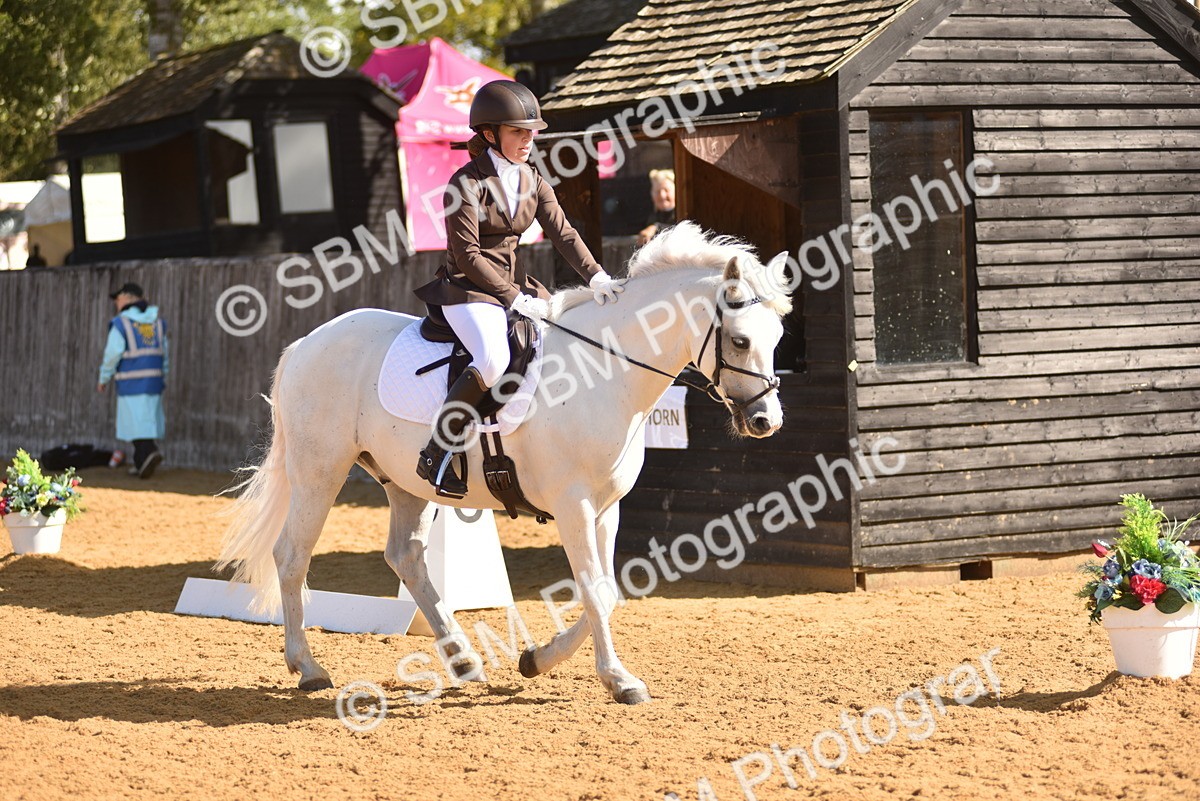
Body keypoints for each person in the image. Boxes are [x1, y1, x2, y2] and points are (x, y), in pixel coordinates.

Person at [412, 79, 624, 498]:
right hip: (467, 289)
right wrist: (514, 298)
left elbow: (563, 233)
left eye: (532, 132)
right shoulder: (464, 184)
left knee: (569, 336)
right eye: (518, 132)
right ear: (490, 134)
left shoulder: (533, 179)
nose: (528, 140)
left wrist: (597, 276)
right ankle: (436, 449)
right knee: (492, 359)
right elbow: (469, 255)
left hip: (515, 285)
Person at [97, 282, 169, 478]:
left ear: (128, 298)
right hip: (153, 382)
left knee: (136, 425)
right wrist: (163, 375)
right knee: (145, 422)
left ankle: (149, 453)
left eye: (118, 298)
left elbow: (112, 354)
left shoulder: (122, 324)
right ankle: (141, 462)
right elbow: (165, 354)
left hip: (131, 383)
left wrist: (103, 377)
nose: (116, 303)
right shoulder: (157, 322)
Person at [637, 168, 676, 245]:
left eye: (666, 190)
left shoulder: (682, 212)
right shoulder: (652, 218)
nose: (662, 195)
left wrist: (656, 228)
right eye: (657, 192)